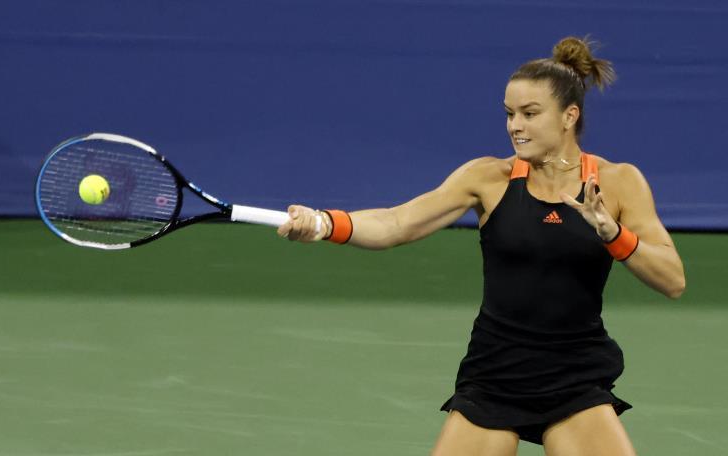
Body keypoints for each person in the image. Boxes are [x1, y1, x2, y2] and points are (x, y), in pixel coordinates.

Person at [277, 36, 685, 456]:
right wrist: (324, 223)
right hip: (495, 375)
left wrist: (613, 234)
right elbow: (397, 222)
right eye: (510, 114)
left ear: (569, 116)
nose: (515, 126)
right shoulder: (488, 178)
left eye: (530, 114)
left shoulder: (619, 182)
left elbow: (673, 280)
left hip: (575, 376)